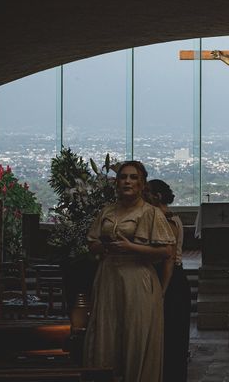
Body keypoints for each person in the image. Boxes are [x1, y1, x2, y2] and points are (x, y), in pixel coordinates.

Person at [84, 161, 175, 382]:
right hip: (108, 277)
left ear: (142, 183)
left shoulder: (151, 213)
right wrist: (106, 246)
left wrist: (131, 247)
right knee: (106, 332)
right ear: (117, 182)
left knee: (136, 333)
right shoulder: (107, 211)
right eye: (124, 177)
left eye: (133, 177)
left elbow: (166, 250)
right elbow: (92, 243)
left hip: (137, 278)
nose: (127, 181)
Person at [148, 179, 191, 382]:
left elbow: (170, 257)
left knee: (171, 333)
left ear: (156, 196)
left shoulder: (167, 220)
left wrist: (162, 290)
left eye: (146, 192)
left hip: (172, 280)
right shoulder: (165, 217)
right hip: (172, 277)